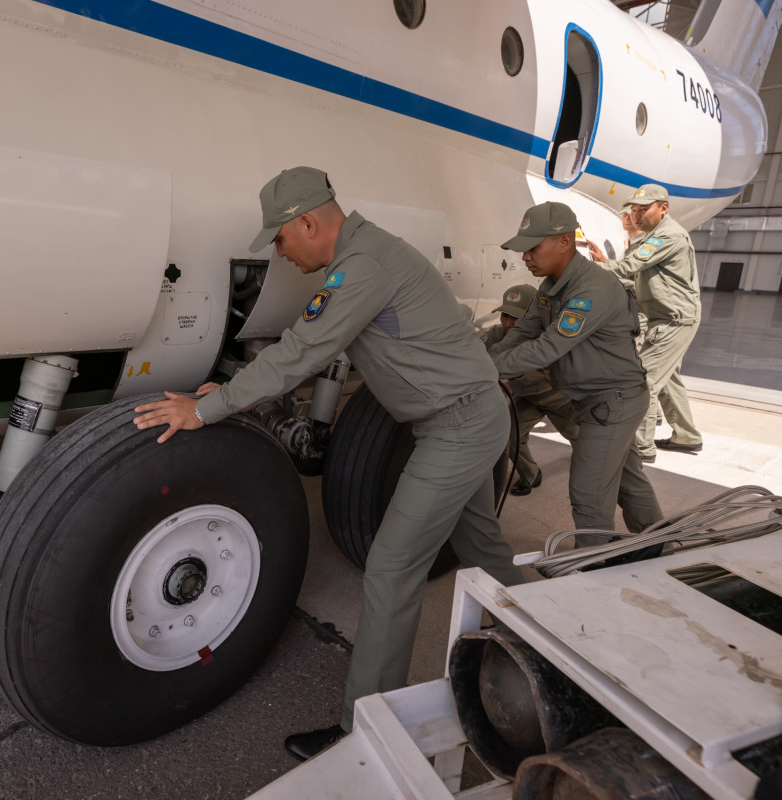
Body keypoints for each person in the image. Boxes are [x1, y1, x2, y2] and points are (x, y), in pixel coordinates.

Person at [133, 166, 524, 762]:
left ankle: (365, 730)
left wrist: (205, 410)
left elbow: (303, 351)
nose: (281, 254)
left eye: (281, 239)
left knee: (392, 569)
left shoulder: (362, 267)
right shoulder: (371, 255)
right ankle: (557, 634)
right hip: (465, 417)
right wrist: (228, 390)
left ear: (308, 222)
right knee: (484, 547)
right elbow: (307, 347)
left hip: (459, 427)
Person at [489, 201, 662, 544]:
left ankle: (592, 573)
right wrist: (487, 360)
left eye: (533, 248)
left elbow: (547, 347)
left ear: (565, 242)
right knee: (628, 483)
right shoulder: (551, 286)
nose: (525, 257)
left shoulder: (592, 288)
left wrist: (482, 370)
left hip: (612, 403)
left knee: (588, 495)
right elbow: (524, 332)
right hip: (595, 400)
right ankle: (660, 545)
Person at [587, 184, 703, 463]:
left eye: (644, 209)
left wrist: (583, 268)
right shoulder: (654, 236)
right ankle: (687, 437)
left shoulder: (667, 236)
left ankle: (640, 448)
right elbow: (636, 280)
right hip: (667, 318)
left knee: (643, 381)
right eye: (634, 210)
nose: (637, 215)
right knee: (669, 379)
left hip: (673, 321)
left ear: (663, 208)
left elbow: (627, 268)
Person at [480, 284, 578, 496]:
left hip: (558, 399)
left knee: (585, 442)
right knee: (511, 434)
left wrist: (510, 386)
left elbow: (545, 376)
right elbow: (480, 359)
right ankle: (531, 474)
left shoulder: (550, 338)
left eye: (515, 318)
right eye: (505, 315)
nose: (507, 323)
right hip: (528, 397)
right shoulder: (498, 334)